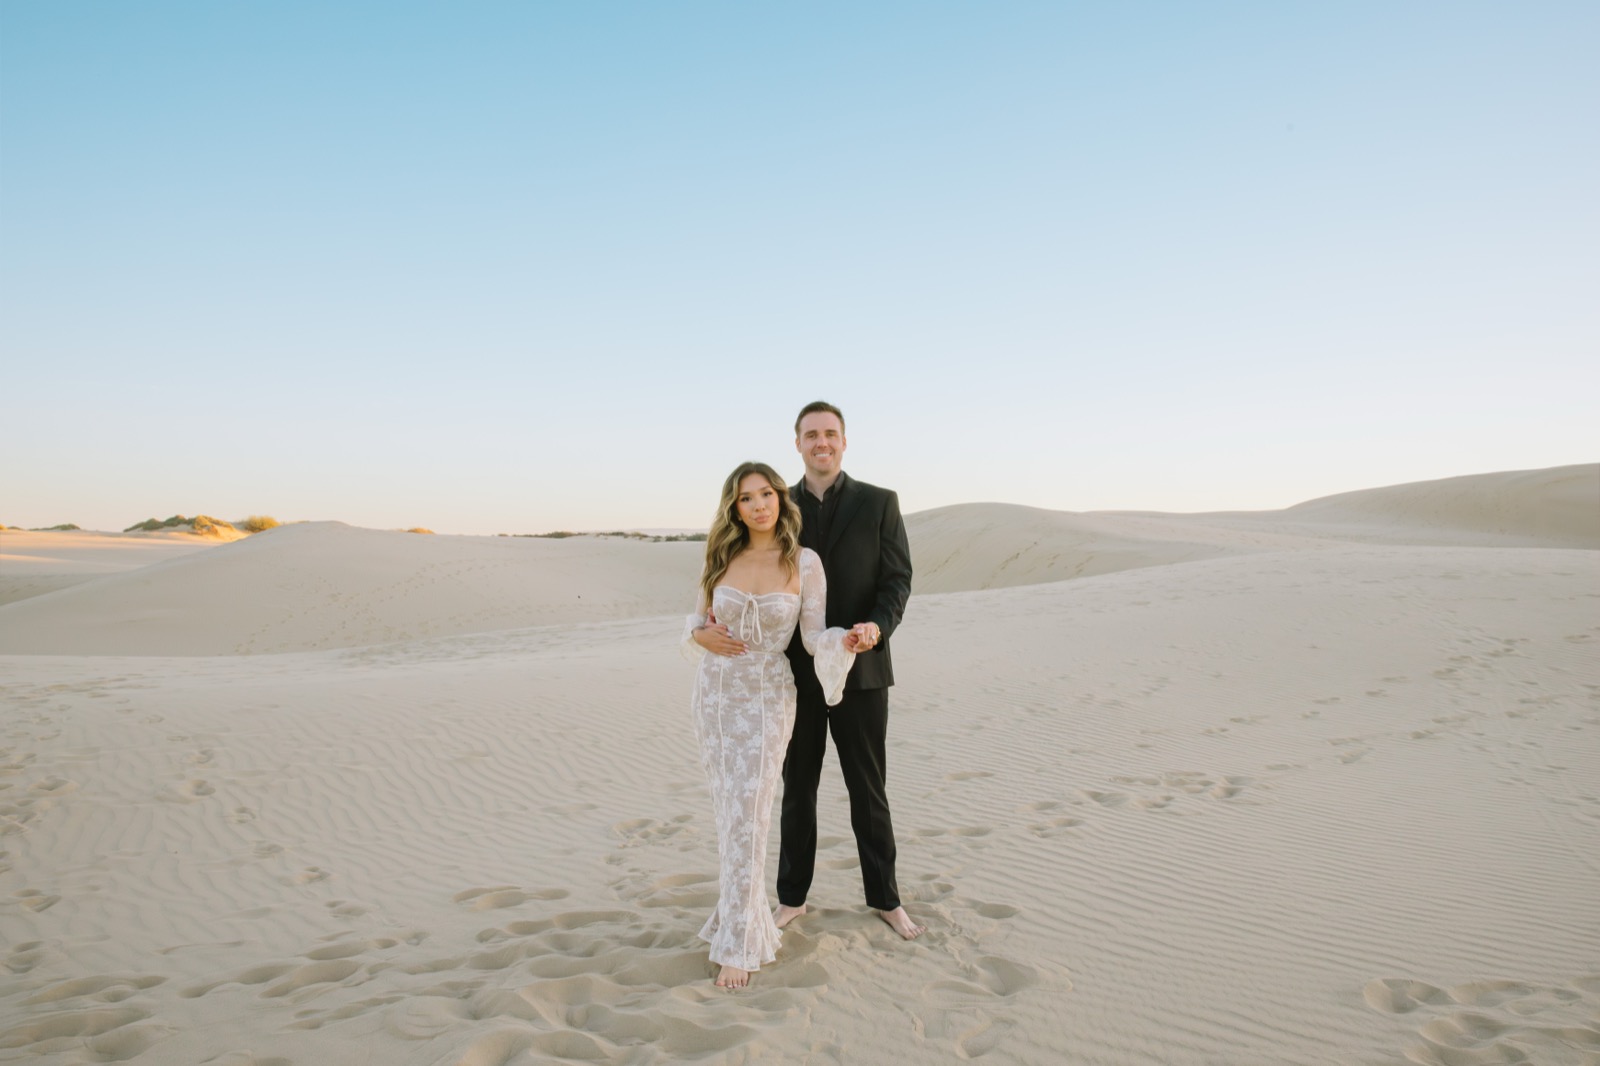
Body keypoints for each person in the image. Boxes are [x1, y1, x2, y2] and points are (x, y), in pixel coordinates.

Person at [683, 461, 861, 990]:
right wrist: (699, 636)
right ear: (733, 508)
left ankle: (739, 943)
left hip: (767, 697)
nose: (758, 505)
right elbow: (696, 620)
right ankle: (737, 921)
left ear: (781, 499)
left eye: (766, 494)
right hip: (715, 695)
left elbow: (812, 637)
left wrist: (843, 642)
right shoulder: (721, 555)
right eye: (745, 498)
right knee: (728, 815)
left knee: (753, 815)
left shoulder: (805, 562)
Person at [776, 401, 924, 940]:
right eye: (811, 434)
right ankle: (791, 898)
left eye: (830, 433)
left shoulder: (880, 502)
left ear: (844, 441)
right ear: (797, 444)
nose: (822, 442)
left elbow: (897, 580)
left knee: (869, 790)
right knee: (799, 789)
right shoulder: (779, 505)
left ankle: (886, 899)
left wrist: (877, 628)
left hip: (862, 672)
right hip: (797, 673)